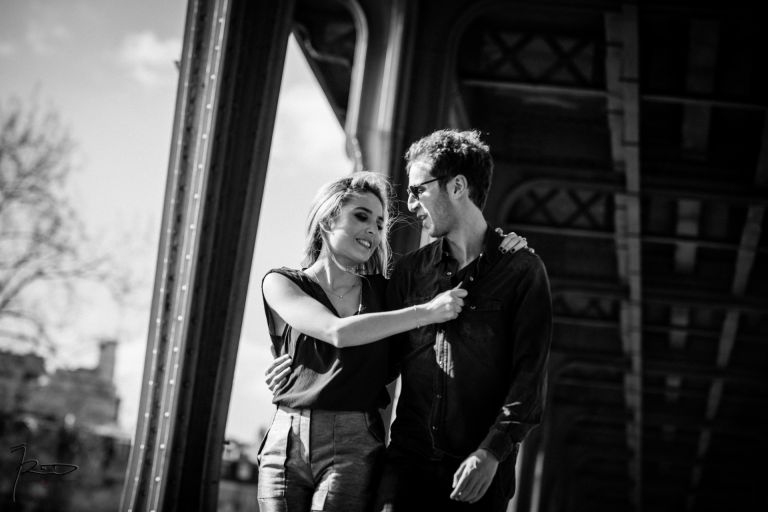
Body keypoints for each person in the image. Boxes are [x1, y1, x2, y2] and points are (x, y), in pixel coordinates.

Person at [257, 171, 528, 512]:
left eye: (380, 223)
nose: (373, 230)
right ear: (327, 220)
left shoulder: (388, 294)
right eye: (361, 216)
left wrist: (500, 249)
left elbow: (464, 286)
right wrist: (425, 312)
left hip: (353, 442)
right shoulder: (281, 282)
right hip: (285, 438)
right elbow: (335, 331)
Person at [378, 129, 552, 511]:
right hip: (406, 468)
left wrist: (492, 451)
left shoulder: (522, 271)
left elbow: (529, 379)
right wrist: (305, 364)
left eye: (418, 190)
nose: (411, 204)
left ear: (457, 186)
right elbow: (378, 363)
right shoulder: (409, 272)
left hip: (479, 479)